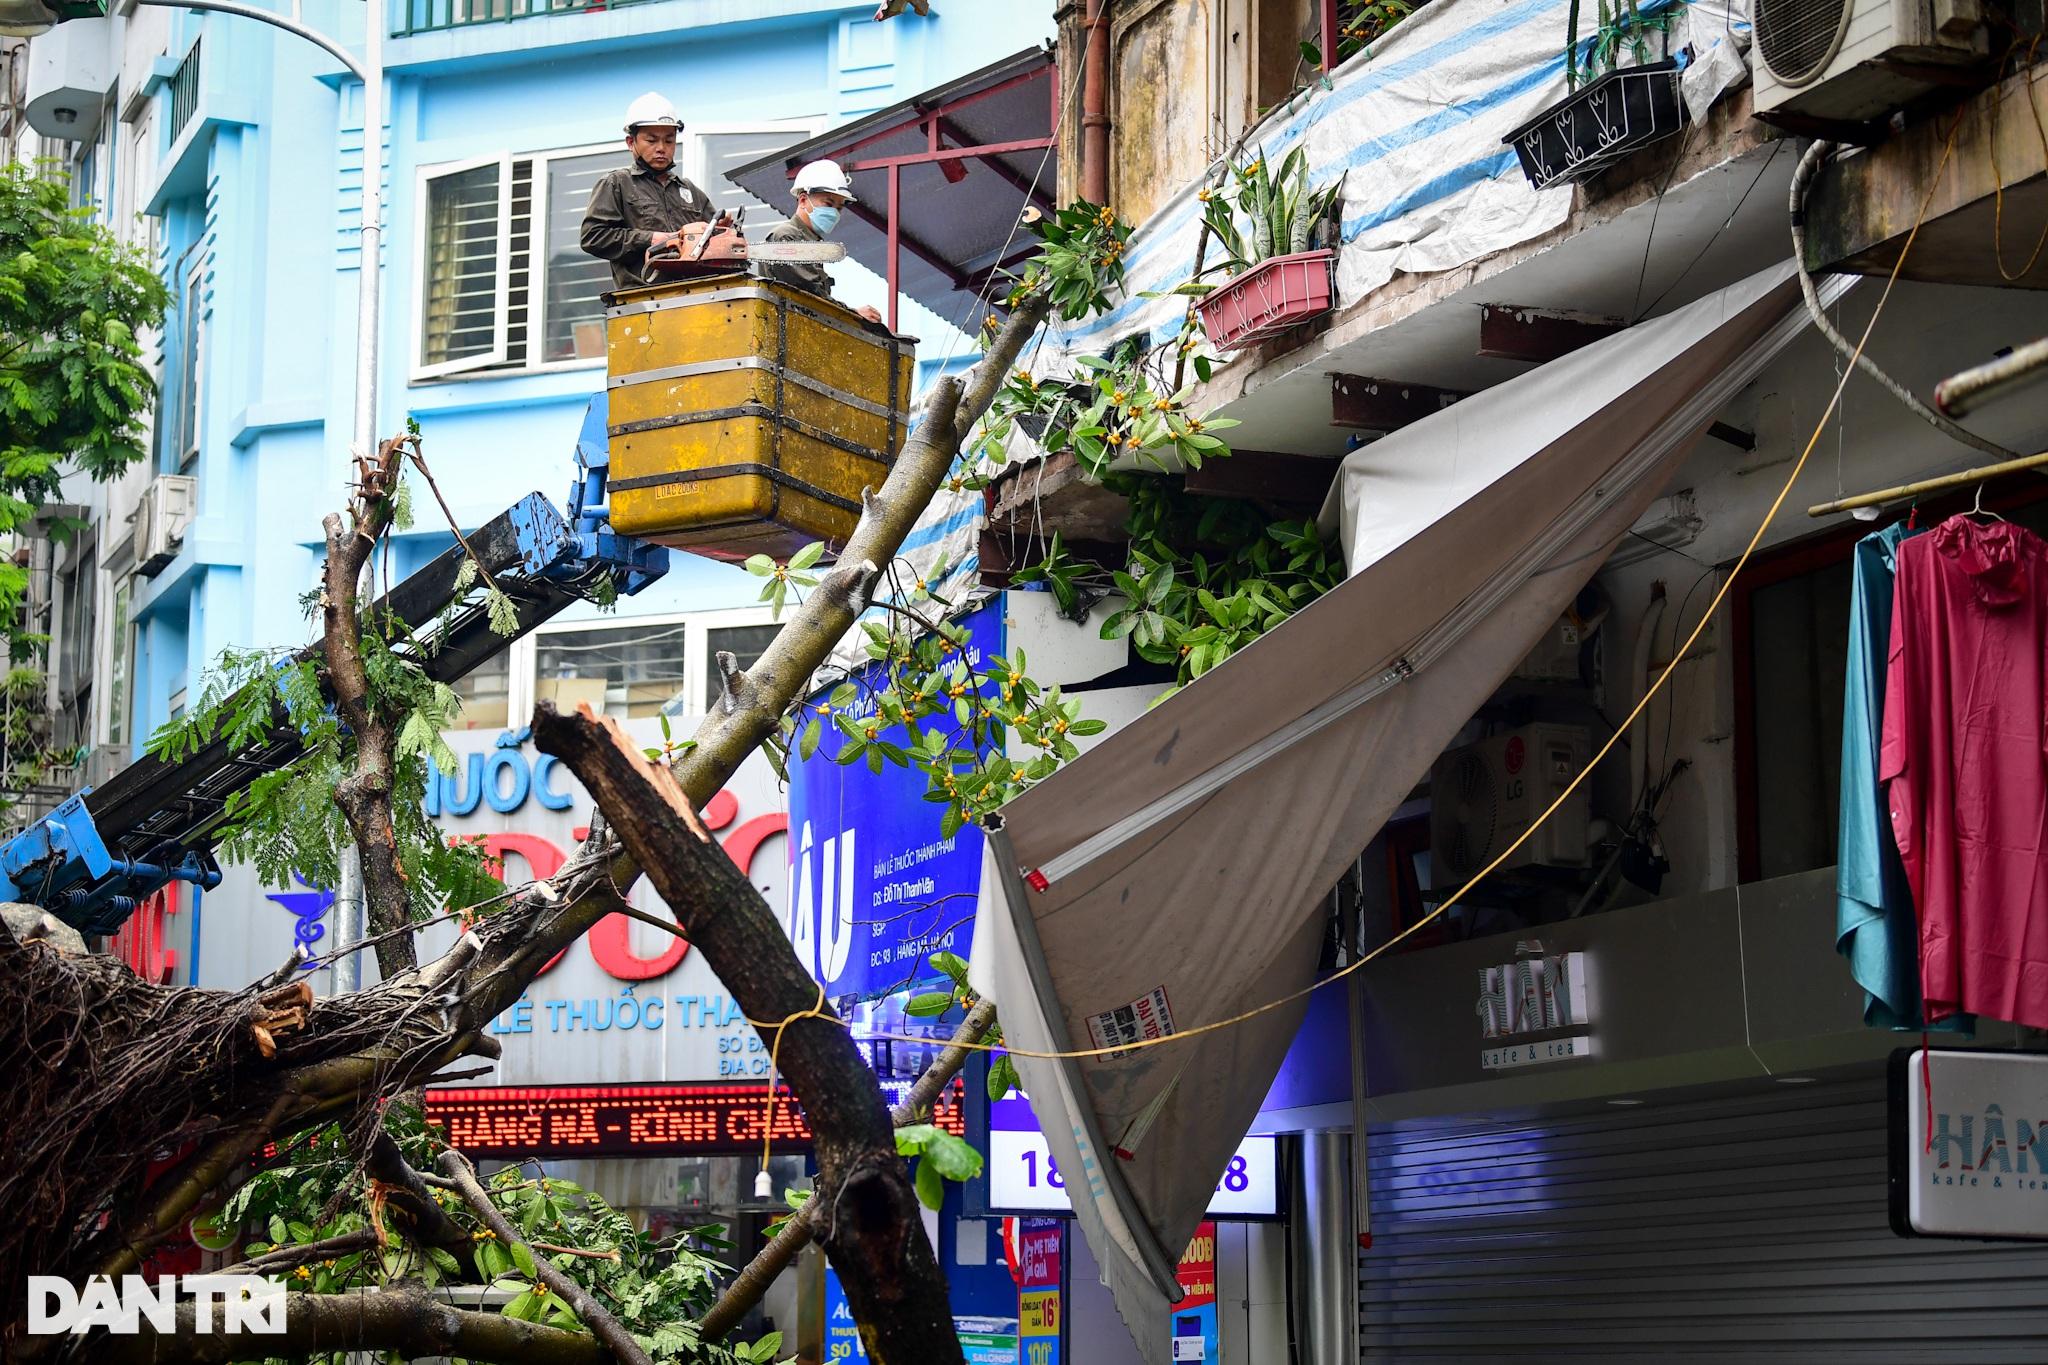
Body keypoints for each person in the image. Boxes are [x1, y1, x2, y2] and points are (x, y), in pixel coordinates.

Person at [580, 92, 718, 292]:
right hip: (644, 301)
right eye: (651, 141)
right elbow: (593, 237)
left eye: (669, 140)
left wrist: (722, 231)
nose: (661, 148)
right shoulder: (617, 184)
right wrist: (651, 239)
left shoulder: (691, 192)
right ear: (630, 142)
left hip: (696, 297)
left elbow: (712, 247)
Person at [759, 160, 883, 325]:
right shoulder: (786, 237)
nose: (834, 213)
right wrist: (854, 315)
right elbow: (813, 298)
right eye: (828, 204)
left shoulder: (809, 242)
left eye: (839, 208)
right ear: (803, 200)